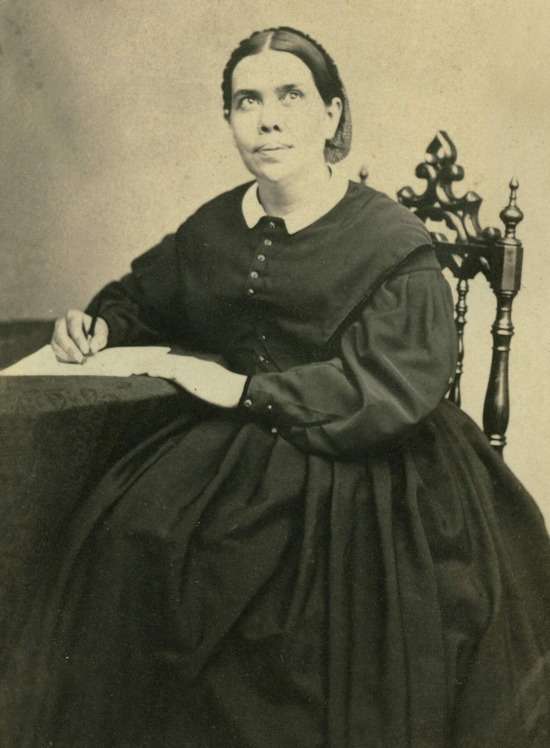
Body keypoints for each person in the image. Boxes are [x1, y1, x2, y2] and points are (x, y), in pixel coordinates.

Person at [6, 26, 550, 748]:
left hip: (374, 466)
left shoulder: (392, 240)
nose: (267, 119)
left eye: (290, 96)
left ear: (330, 115)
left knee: (282, 623)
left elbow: (391, 380)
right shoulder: (216, 226)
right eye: (246, 101)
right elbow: (144, 295)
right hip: (233, 453)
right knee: (137, 538)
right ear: (229, 120)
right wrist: (101, 325)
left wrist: (239, 391)